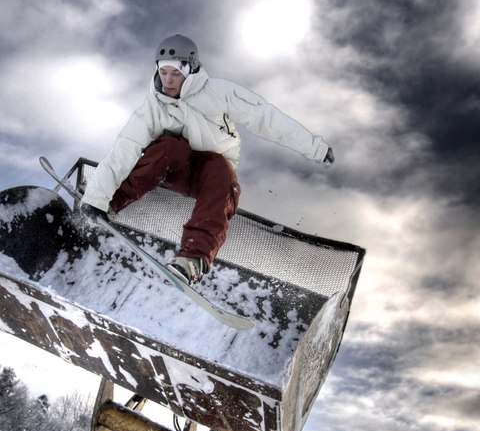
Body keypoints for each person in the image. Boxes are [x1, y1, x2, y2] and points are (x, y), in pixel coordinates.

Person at [82, 34, 335, 285]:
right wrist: (96, 198)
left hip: (211, 175)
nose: (169, 81)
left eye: (176, 73)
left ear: (190, 70)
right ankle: (112, 203)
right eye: (164, 72)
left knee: (220, 168)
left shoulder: (219, 92)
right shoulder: (153, 107)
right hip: (177, 170)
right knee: (168, 146)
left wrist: (315, 148)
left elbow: (265, 118)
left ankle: (192, 259)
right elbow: (124, 149)